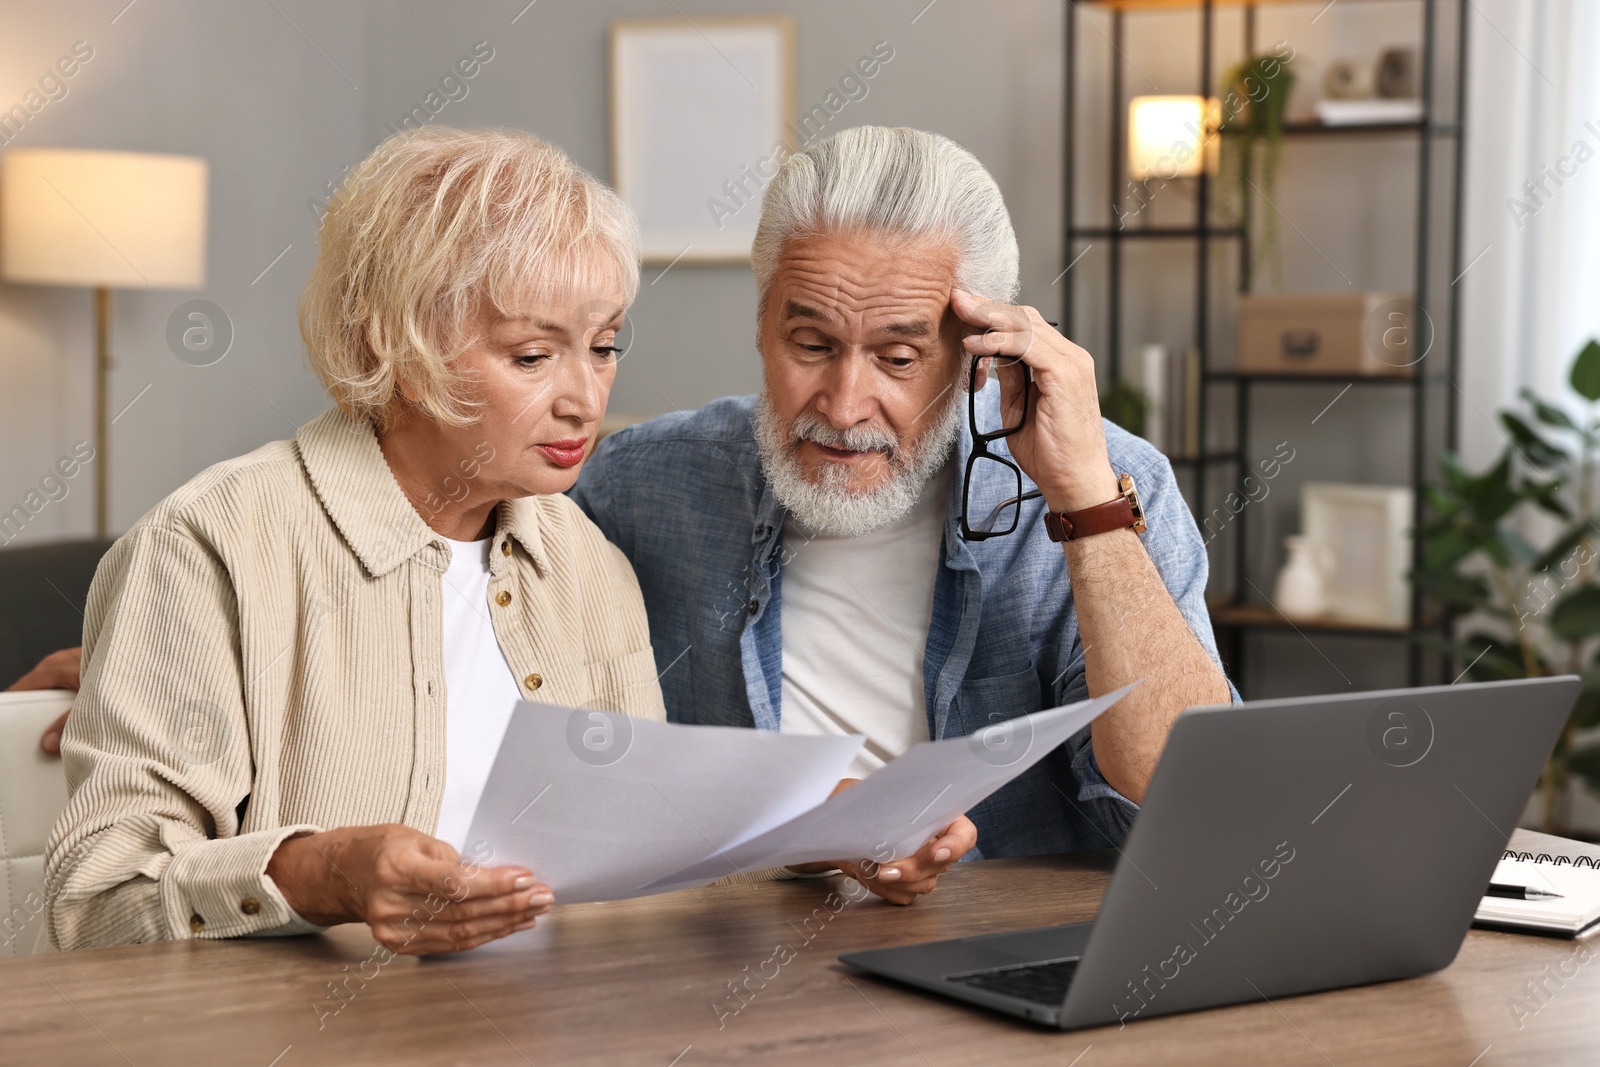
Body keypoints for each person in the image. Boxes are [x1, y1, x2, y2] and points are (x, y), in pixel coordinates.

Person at [34, 126, 971, 956]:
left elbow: (643, 865)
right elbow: (94, 904)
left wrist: (814, 836)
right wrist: (319, 872)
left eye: (603, 346)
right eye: (533, 355)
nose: (584, 397)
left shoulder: (588, 563)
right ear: (391, 345)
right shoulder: (212, 545)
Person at [567, 126, 1235, 863]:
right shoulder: (641, 484)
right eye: (812, 345)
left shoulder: (1109, 483)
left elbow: (1190, 810)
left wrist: (1087, 501)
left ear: (980, 356)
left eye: (899, 357)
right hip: (735, 949)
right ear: (762, 327)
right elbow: (570, 763)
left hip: (998, 956)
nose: (846, 405)